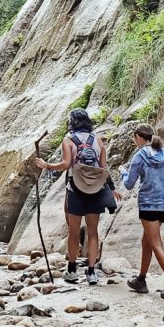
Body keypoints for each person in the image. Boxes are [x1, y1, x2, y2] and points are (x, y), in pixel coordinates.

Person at [36, 109, 120, 285]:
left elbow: (66, 164)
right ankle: (91, 272)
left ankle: (72, 270)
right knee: (93, 232)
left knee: (73, 232)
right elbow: (104, 168)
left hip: (76, 190)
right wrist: (111, 188)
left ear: (72, 122)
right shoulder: (97, 141)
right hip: (96, 189)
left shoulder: (68, 140)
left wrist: (47, 165)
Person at [122, 124, 164, 299]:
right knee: (147, 241)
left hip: (148, 205)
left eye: (134, 138)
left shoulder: (140, 156)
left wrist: (123, 172)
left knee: (156, 244)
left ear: (138, 137)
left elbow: (129, 184)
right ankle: (141, 280)